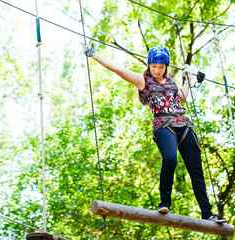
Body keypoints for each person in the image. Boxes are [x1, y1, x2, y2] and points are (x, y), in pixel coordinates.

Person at [83, 44, 227, 223]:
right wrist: (95, 55)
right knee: (170, 159)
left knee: (196, 170)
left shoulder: (171, 82)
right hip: (163, 125)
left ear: (166, 67)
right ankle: (164, 202)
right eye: (153, 67)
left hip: (183, 124)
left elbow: (181, 97)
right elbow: (117, 69)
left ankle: (208, 213)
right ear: (148, 65)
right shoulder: (143, 80)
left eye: (160, 67)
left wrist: (190, 80)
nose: (157, 70)